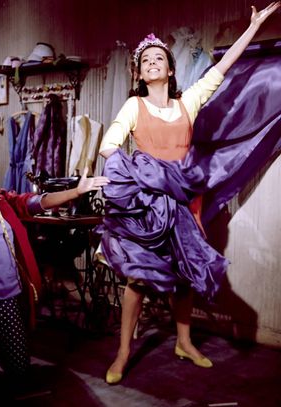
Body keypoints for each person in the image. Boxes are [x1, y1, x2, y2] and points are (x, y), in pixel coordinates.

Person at [98, 2, 280, 384]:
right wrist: (144, 175)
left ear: (169, 68)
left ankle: (184, 342)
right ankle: (123, 352)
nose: (152, 62)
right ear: (138, 72)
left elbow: (223, 67)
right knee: (137, 280)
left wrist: (253, 27)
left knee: (183, 276)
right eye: (145, 59)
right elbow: (109, 146)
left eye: (158, 57)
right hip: (148, 210)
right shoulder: (134, 105)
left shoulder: (189, 102)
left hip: (185, 206)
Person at [0, 133, 109, 387]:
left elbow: (37, 202)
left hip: (5, 294)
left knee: (19, 370)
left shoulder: (0, 202)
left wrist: (77, 191)